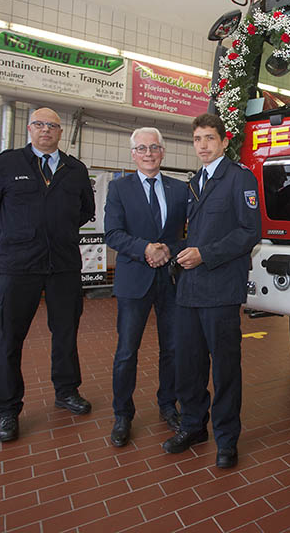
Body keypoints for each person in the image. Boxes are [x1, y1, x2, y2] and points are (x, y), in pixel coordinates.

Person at [0, 107, 95, 442]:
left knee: (66, 332)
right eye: (40, 124)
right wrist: (20, 229)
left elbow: (86, 210)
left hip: (64, 265)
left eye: (53, 126)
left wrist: (57, 230)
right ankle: (7, 410)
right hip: (19, 264)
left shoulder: (75, 169)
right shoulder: (7, 164)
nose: (46, 130)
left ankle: (67, 390)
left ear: (60, 131)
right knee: (9, 338)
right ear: (30, 129)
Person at [162, 113, 261, 469]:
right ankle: (192, 426)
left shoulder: (239, 179)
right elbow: (193, 232)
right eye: (197, 139)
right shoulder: (193, 183)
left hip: (220, 288)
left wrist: (205, 254)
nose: (202, 145)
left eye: (208, 138)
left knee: (225, 369)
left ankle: (226, 438)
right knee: (188, 365)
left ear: (224, 140)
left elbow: (249, 232)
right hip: (188, 289)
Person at [104, 127, 188, 447]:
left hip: (170, 279)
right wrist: (145, 249)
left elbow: (191, 232)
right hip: (133, 280)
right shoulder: (119, 188)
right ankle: (122, 414)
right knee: (127, 351)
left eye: (154, 147)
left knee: (173, 348)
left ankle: (168, 404)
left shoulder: (180, 190)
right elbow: (112, 233)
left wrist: (170, 249)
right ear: (133, 154)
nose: (148, 153)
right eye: (142, 149)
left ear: (163, 152)